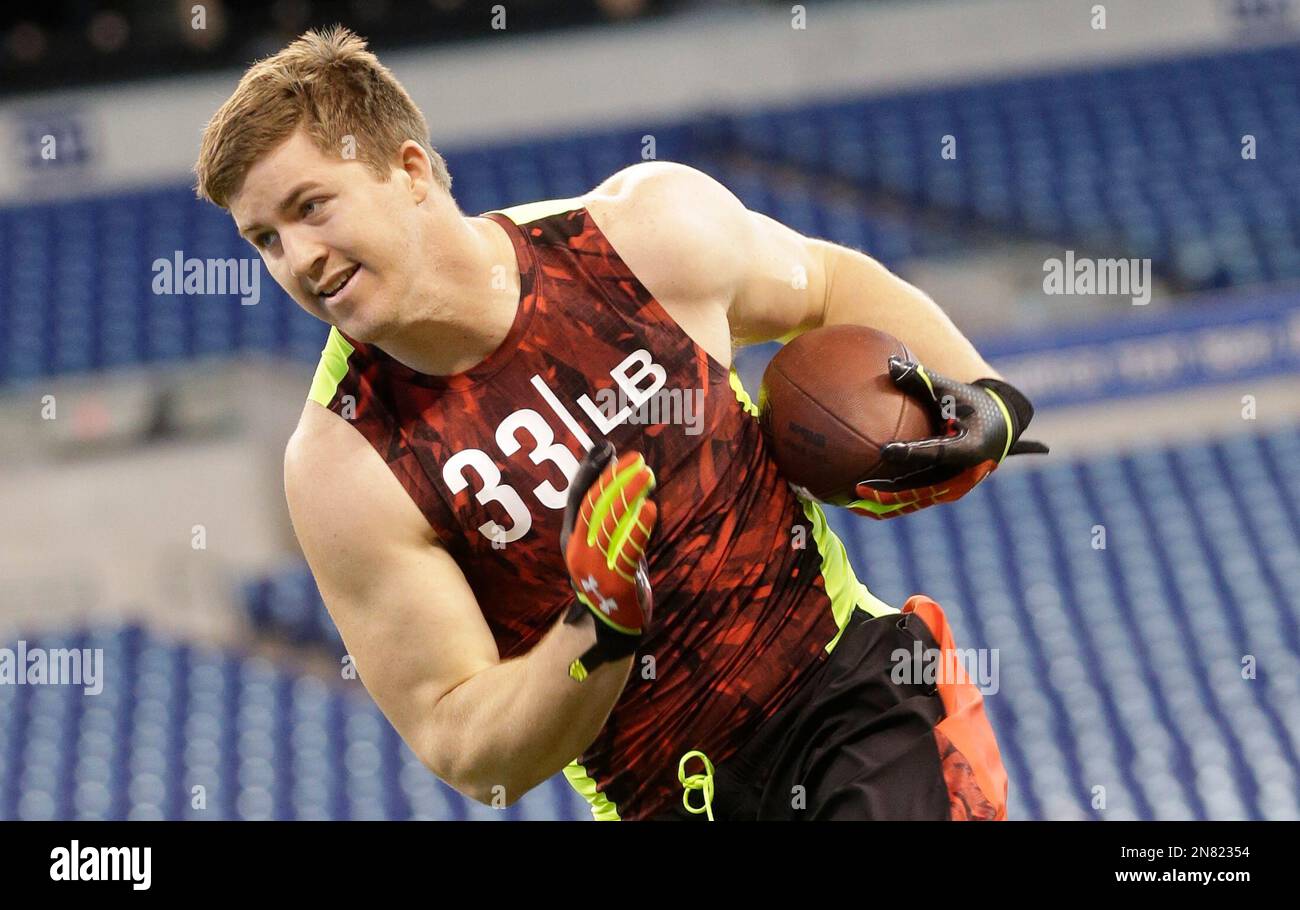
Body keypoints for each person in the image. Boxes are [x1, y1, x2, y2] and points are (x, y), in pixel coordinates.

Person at [194, 25, 1046, 820]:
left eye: (312, 207)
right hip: (664, 802)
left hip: (853, 700)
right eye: (264, 240)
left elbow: (824, 284)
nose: (299, 259)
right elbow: (467, 746)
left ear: (410, 170)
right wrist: (595, 624)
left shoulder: (640, 235)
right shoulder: (342, 464)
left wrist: (989, 399)